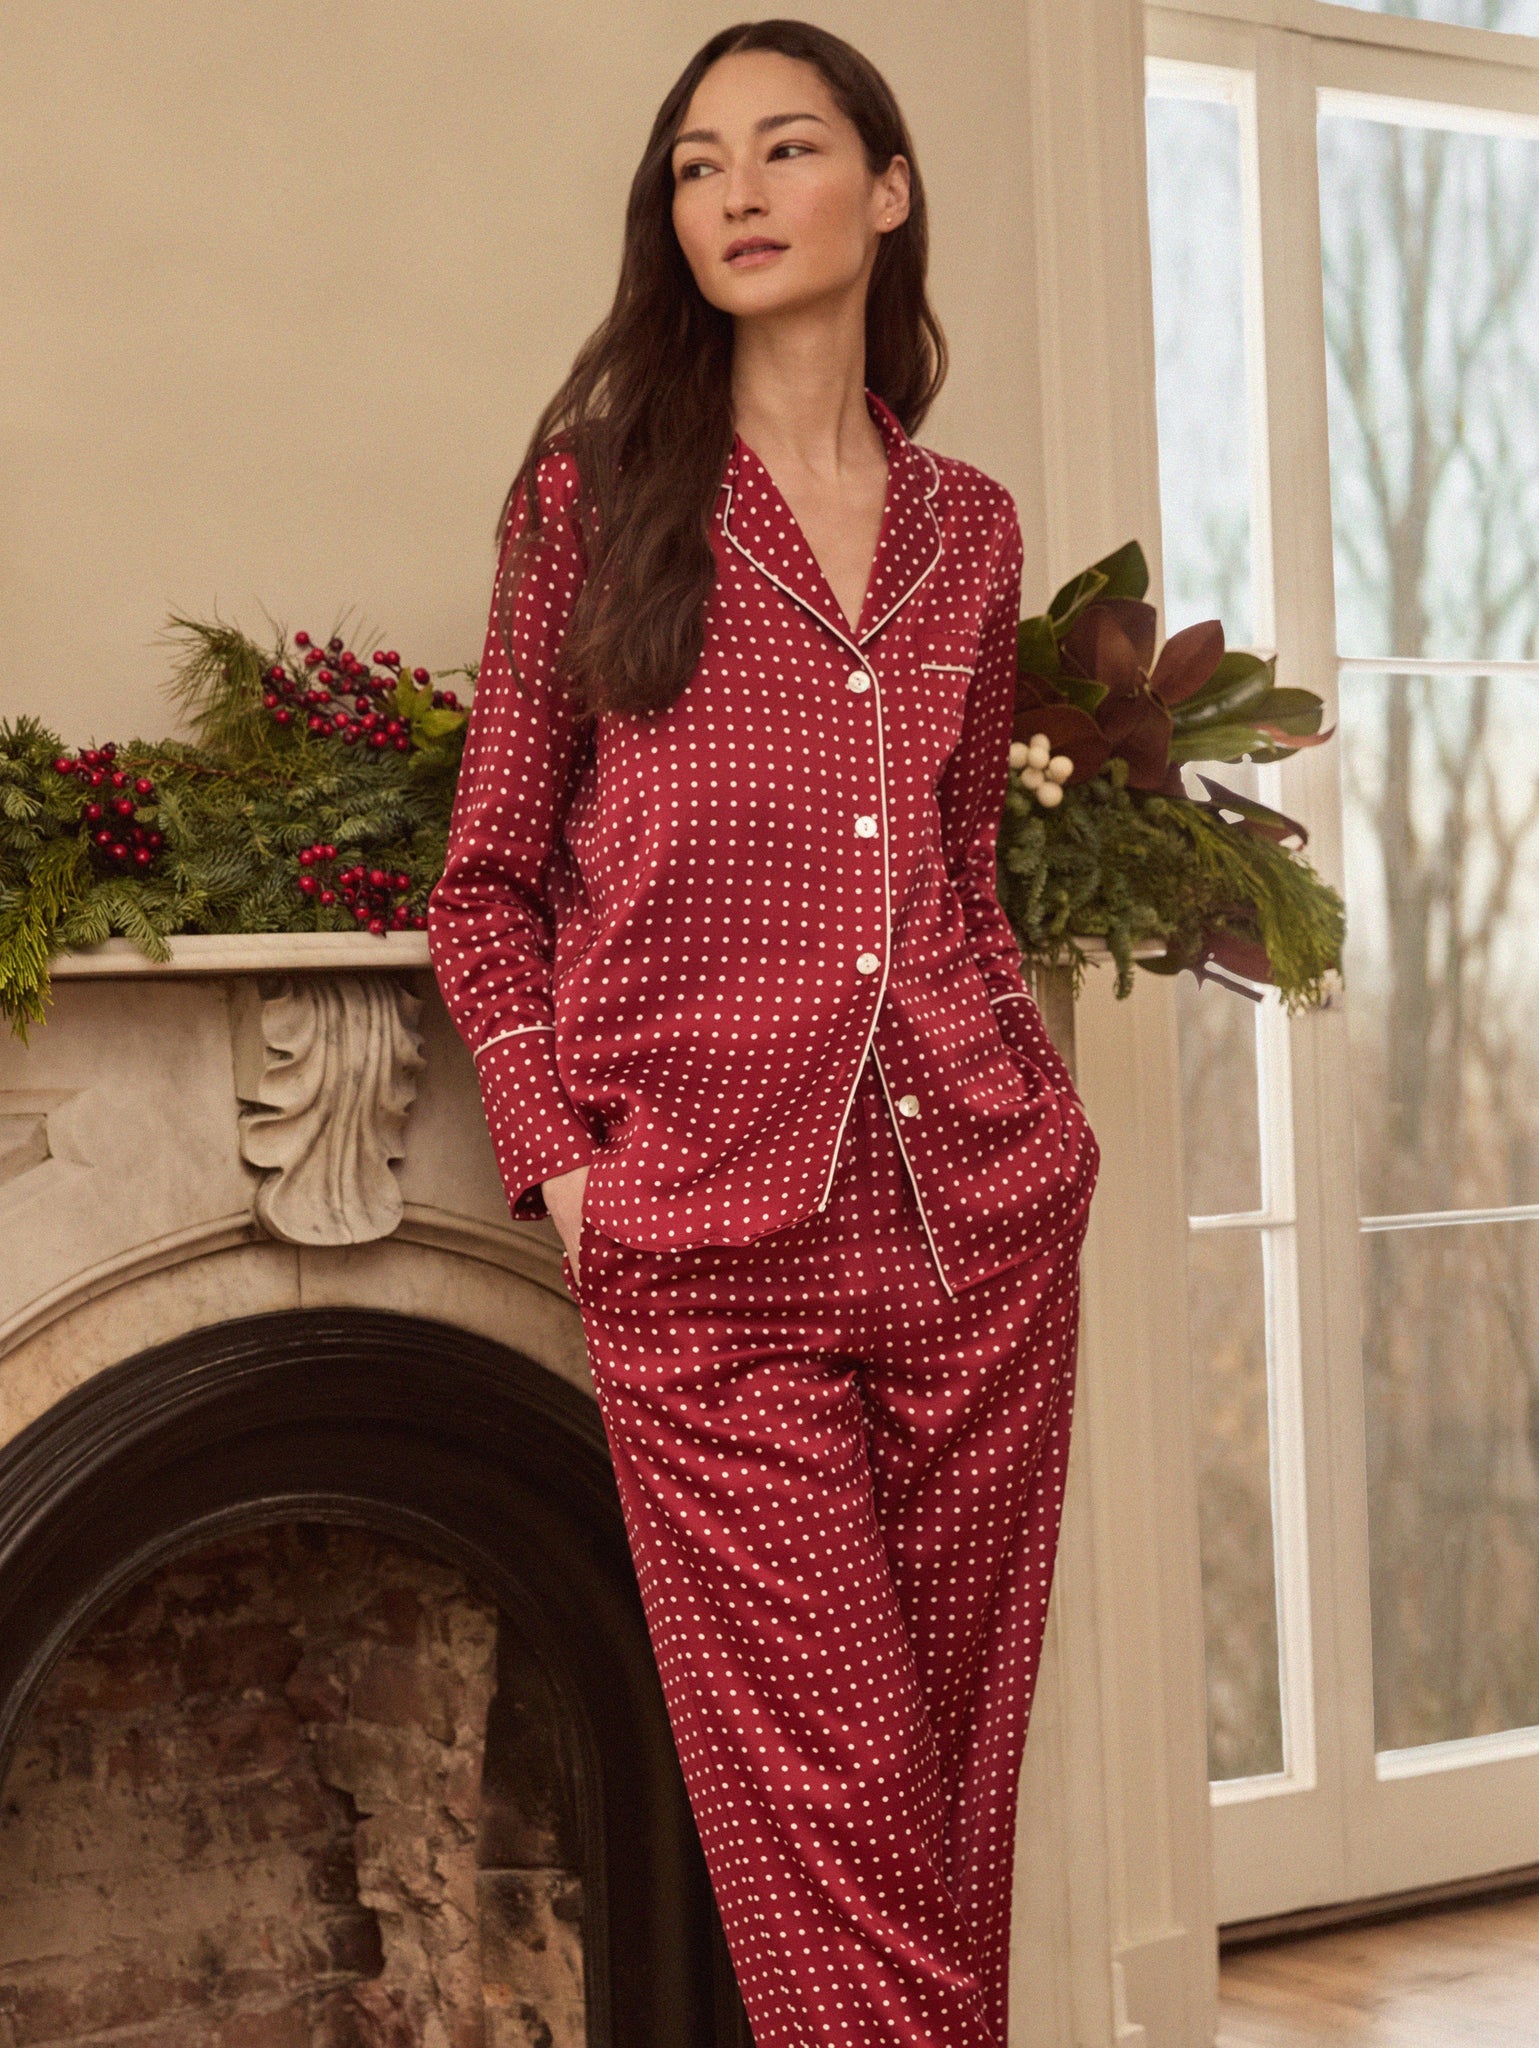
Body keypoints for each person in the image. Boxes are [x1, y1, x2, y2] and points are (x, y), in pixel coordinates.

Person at [427, 19, 1099, 2045]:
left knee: (948, 1818)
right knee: (834, 1831)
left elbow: (959, 877)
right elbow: (485, 890)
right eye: (698, 159)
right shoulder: (592, 505)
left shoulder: (967, 530)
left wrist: (1044, 1130)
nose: (732, 187)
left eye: (786, 147)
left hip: (976, 1229)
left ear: (883, 194)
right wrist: (565, 1169)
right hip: (704, 1256)